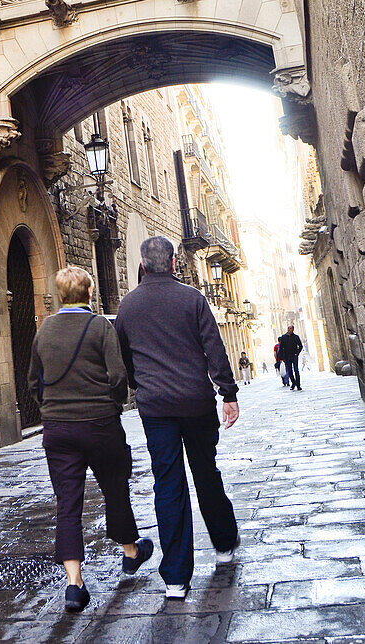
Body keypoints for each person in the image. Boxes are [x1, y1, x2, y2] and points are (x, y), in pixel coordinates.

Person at [115, 237, 239, 600]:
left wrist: (143, 386)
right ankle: (224, 544)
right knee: (206, 472)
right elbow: (214, 347)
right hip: (197, 403)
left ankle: (175, 578)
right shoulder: (192, 299)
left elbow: (125, 359)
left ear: (142, 264)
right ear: (172, 263)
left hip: (156, 409)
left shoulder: (128, 306)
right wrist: (227, 392)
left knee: (167, 485)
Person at [28, 265, 153, 613]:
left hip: (58, 430)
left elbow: (33, 382)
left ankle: (74, 584)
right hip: (99, 425)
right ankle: (130, 553)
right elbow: (118, 377)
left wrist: (51, 410)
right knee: (115, 487)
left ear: (60, 295)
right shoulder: (100, 326)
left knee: (67, 502)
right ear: (88, 294)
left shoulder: (44, 331)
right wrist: (109, 406)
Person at [277, 324, 303, 391]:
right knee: (289, 371)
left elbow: (300, 346)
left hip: (294, 356)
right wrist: (281, 357)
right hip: (287, 357)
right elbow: (281, 347)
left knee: (296, 370)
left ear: (293, 329)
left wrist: (297, 353)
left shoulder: (296, 337)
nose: (289, 330)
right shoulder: (284, 337)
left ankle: (298, 384)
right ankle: (293, 383)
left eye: (291, 328)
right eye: (288, 328)